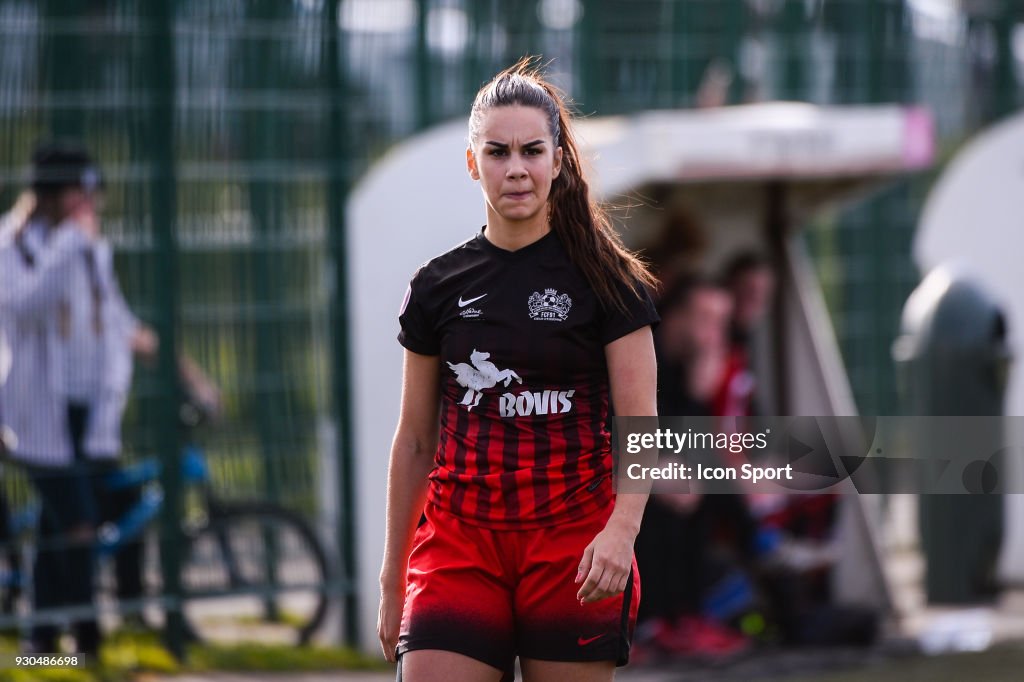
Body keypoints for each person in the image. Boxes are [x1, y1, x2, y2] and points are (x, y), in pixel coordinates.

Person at [377, 58, 659, 682]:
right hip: (460, 546)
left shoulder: (609, 282)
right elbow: (417, 439)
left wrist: (621, 532)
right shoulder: (436, 286)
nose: (516, 169)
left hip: (574, 546)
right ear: (473, 163)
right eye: (498, 152)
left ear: (558, 160)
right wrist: (393, 576)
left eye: (532, 150)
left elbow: (642, 426)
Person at [0, 141, 157, 655]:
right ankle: (85, 640)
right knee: (78, 524)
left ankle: (40, 643)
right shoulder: (14, 245)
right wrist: (71, 244)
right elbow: (26, 305)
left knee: (57, 529)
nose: (89, 204)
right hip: (36, 414)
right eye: (79, 193)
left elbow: (111, 319)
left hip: (86, 410)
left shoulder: (90, 249)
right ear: (56, 195)